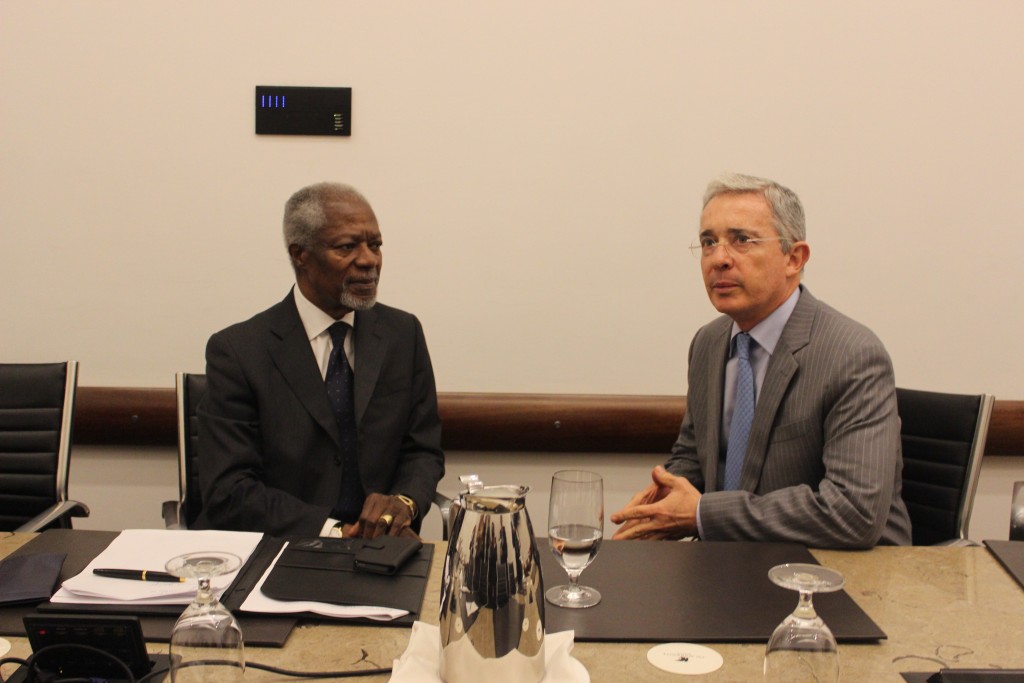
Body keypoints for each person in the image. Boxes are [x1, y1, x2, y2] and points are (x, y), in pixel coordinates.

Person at [611, 173, 912, 548]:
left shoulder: (852, 354)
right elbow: (695, 458)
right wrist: (659, 502)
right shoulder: (709, 343)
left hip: (844, 579)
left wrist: (702, 514)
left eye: (741, 240)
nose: (719, 259)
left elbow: (853, 513)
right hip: (732, 571)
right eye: (708, 242)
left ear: (794, 257)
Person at [195, 182, 444, 539]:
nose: (369, 259)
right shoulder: (238, 351)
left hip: (384, 549)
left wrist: (403, 504)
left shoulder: (403, 334)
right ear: (301, 255)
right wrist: (334, 531)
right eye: (347, 247)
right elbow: (229, 490)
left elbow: (423, 450)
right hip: (282, 549)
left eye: (375, 245)